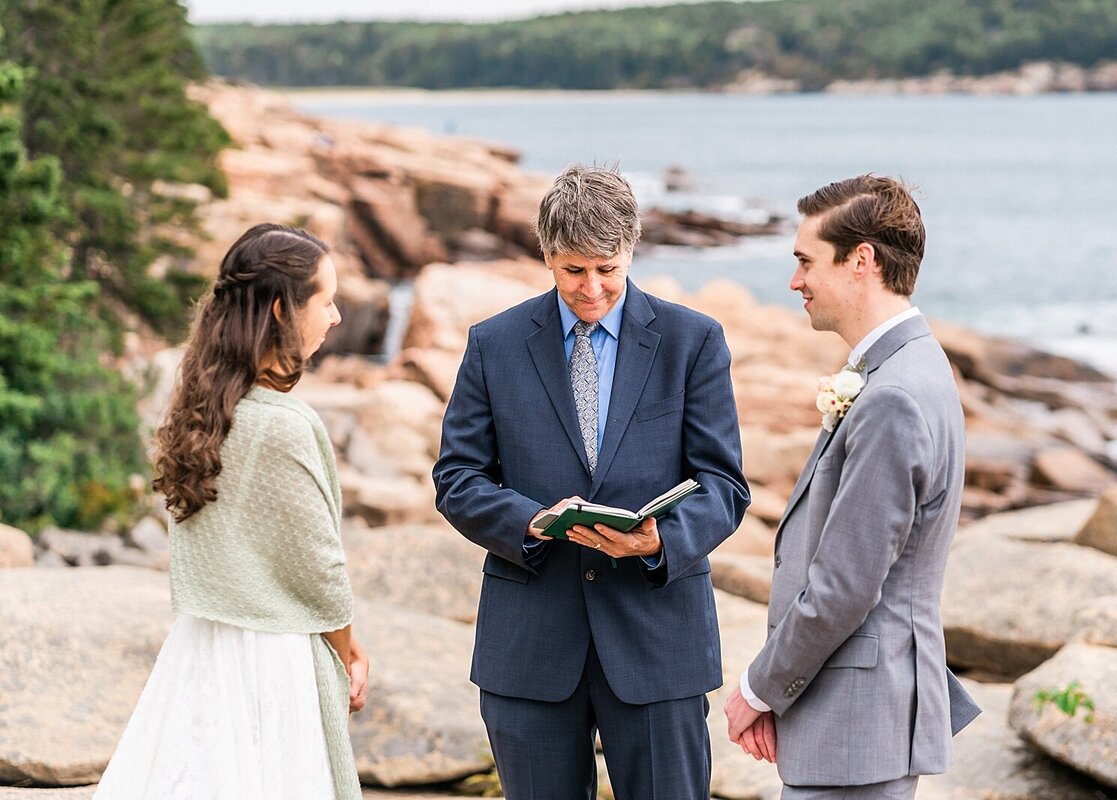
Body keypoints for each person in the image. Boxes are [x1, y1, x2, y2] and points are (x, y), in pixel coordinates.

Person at [433, 164, 750, 800]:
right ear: (547, 254)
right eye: (574, 270)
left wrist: (659, 541)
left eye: (608, 269)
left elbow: (723, 484)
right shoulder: (493, 344)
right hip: (530, 646)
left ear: (631, 250)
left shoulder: (693, 341)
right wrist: (529, 521)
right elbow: (457, 477)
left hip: (658, 641)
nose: (593, 288)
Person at [723, 176, 981, 800]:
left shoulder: (891, 395)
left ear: (861, 261)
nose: (795, 282)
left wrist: (759, 689)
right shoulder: (912, 365)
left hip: (858, 722)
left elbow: (844, 586)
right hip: (861, 718)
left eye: (805, 262)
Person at [94, 223, 369, 800]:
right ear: (279, 310)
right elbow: (319, 571)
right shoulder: (288, 425)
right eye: (327, 300)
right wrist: (349, 652)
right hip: (271, 663)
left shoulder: (201, 407)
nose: (337, 316)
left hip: (201, 647)